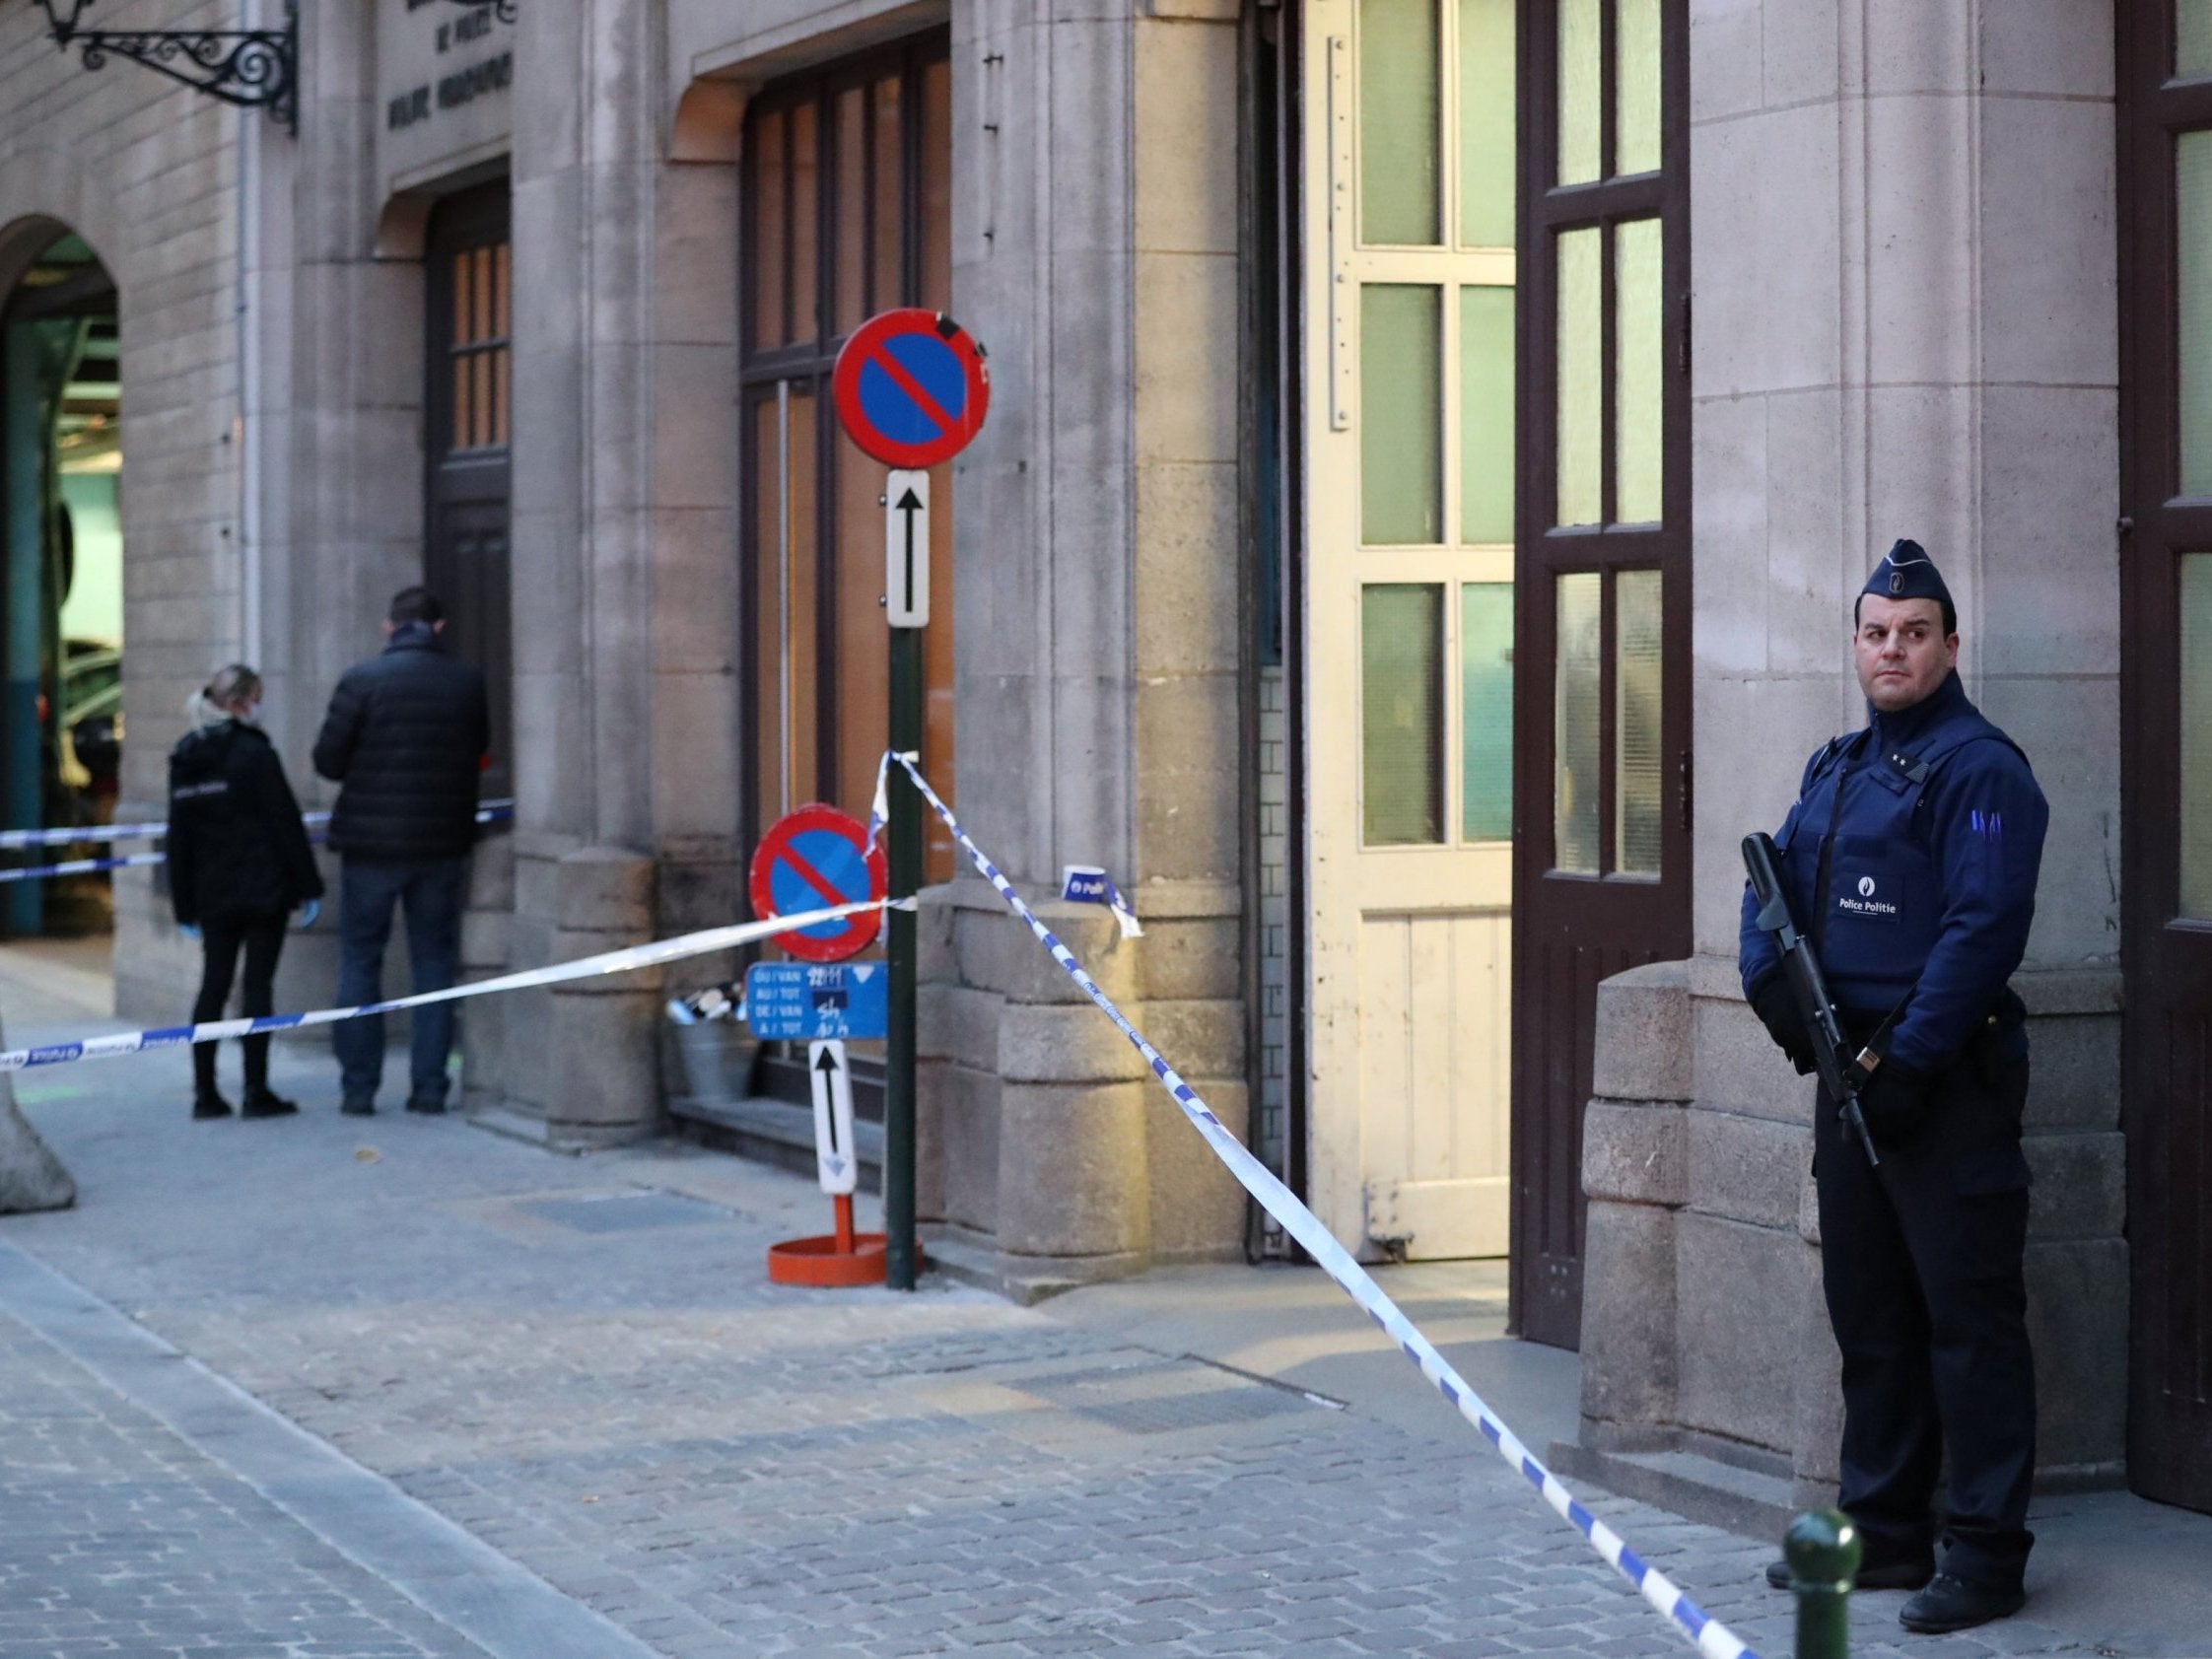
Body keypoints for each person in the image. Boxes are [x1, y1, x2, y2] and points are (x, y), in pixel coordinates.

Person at [1741, 539, 2048, 1634]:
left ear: (1950, 645)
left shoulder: (1981, 770)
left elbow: (1981, 933)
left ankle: (1986, 1552)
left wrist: (1908, 1062)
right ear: (1858, 644)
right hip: (1849, 1072)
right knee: (1868, 1314)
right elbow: (1768, 887)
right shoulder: (1838, 766)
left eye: (1915, 633)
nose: (1893, 650)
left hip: (1940, 1078)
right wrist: (1783, 1010)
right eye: (1876, 633)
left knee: (1967, 1321)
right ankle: (1884, 1528)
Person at [312, 588, 490, 1117]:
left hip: (369, 849)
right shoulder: (466, 682)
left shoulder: (362, 680)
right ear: (438, 628)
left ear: (390, 628)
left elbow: (328, 760)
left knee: (360, 961)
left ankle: (359, 1089)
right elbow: (480, 751)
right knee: (434, 964)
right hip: (441, 843)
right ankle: (429, 1088)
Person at [169, 664, 324, 1120]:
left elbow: (180, 836)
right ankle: (257, 1091)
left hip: (213, 893)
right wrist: (308, 886)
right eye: (257, 696)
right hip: (262, 890)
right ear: (240, 702)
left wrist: (184, 902)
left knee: (212, 988)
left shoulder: (186, 754)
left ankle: (205, 1094)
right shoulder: (254, 753)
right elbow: (285, 823)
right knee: (257, 987)